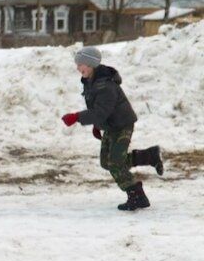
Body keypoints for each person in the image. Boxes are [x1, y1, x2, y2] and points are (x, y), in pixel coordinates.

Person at [60, 46, 163, 211]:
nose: (78, 68)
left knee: (115, 162)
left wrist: (77, 117)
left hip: (122, 124)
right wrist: (96, 124)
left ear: (91, 64)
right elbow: (98, 108)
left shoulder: (105, 86)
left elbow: (100, 111)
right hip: (111, 125)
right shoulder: (91, 81)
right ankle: (148, 156)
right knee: (106, 162)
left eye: (81, 64)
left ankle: (136, 196)